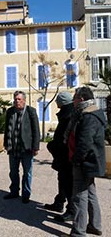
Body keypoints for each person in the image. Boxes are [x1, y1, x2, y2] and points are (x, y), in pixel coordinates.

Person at [62, 87, 106, 237]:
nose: (73, 101)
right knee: (91, 194)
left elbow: (85, 143)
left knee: (79, 197)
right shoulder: (89, 112)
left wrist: (76, 159)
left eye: (74, 98)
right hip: (90, 161)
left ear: (81, 99)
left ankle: (78, 233)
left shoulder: (89, 116)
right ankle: (95, 226)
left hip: (84, 162)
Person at [3, 90, 40, 203]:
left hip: (26, 148)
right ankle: (14, 191)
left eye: (19, 99)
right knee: (13, 172)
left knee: (27, 172)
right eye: (15, 99)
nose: (16, 101)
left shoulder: (30, 111)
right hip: (13, 148)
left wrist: (36, 147)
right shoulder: (10, 111)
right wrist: (6, 143)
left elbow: (36, 130)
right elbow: (6, 129)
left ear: (24, 100)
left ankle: (26, 194)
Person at [44, 91, 74, 222]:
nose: (56, 102)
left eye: (57, 100)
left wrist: (52, 146)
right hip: (64, 154)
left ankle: (71, 210)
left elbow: (64, 137)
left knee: (67, 182)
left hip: (65, 155)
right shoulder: (68, 112)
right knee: (62, 179)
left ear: (61, 102)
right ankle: (59, 202)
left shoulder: (68, 115)